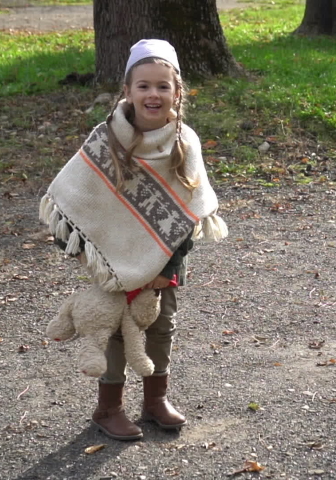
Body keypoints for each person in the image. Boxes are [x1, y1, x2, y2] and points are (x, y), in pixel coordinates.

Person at [39, 39, 228, 441]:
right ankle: (108, 408)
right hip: (112, 267)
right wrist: (85, 256)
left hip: (163, 265)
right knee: (111, 331)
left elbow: (188, 210)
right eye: (143, 86)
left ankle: (155, 400)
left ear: (178, 92)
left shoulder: (183, 142)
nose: (153, 94)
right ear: (127, 91)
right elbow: (75, 197)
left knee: (159, 328)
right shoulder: (105, 139)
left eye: (163, 86)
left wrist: (169, 268)